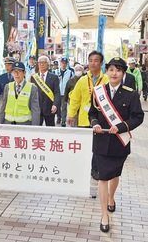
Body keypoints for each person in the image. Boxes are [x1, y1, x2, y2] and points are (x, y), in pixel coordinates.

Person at [89, 57, 144, 233]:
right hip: (101, 141)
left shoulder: (131, 94)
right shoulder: (98, 91)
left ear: (123, 73)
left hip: (119, 142)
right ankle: (104, 214)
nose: (114, 73)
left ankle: (111, 197)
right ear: (107, 71)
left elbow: (138, 117)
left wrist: (120, 127)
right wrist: (94, 122)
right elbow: (92, 112)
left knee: (114, 175)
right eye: (111, 69)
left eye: (118, 70)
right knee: (103, 177)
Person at [67, 50, 109, 180]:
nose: (93, 63)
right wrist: (71, 114)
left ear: (101, 63)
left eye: (96, 61)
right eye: (90, 61)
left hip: (101, 120)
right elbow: (75, 99)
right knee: (84, 146)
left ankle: (95, 169)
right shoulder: (82, 80)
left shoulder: (107, 79)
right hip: (85, 119)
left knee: (98, 147)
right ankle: (82, 168)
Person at [30, 55, 60, 126]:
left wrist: (55, 105)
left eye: (44, 62)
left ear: (48, 65)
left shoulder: (54, 77)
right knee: (36, 131)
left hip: (49, 108)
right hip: (37, 109)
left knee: (50, 131)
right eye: (40, 62)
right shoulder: (33, 77)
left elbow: (57, 92)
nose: (42, 64)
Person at [55, 57, 73, 126]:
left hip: (65, 93)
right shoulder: (56, 72)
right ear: (60, 63)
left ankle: (63, 120)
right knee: (58, 107)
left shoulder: (70, 72)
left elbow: (71, 83)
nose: (64, 64)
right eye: (62, 63)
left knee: (64, 107)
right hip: (57, 92)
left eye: (65, 63)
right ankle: (59, 118)